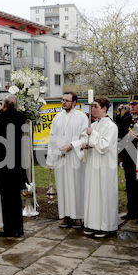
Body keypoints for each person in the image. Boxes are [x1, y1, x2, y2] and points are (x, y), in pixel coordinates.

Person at [76, 96, 118, 238]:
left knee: (103, 194)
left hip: (105, 166)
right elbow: (91, 142)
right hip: (93, 164)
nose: (92, 109)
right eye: (92, 106)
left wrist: (92, 135)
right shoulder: (94, 125)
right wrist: (85, 144)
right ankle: (93, 224)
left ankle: (106, 226)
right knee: (92, 194)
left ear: (104, 109)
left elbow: (104, 145)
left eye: (95, 106)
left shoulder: (111, 126)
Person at [0, 94, 27, 238]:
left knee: (6, 198)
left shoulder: (0, 120)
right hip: (16, 163)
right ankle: (19, 228)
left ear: (3, 106)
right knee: (15, 198)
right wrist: (3, 110)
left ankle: (9, 229)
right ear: (16, 106)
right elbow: (15, 114)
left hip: (3, 164)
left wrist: (0, 113)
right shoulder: (20, 118)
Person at [46, 91, 87, 229]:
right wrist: (51, 159)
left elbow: (85, 138)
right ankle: (65, 216)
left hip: (74, 157)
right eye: (62, 100)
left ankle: (77, 217)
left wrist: (71, 146)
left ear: (74, 102)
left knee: (75, 186)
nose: (63, 102)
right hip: (60, 158)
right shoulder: (57, 117)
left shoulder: (81, 117)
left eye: (67, 100)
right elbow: (52, 138)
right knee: (62, 186)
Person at [116, 94, 138, 224]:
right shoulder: (126, 118)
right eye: (130, 104)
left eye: (134, 104)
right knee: (130, 185)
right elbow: (122, 136)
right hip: (128, 157)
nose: (131, 107)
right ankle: (132, 211)